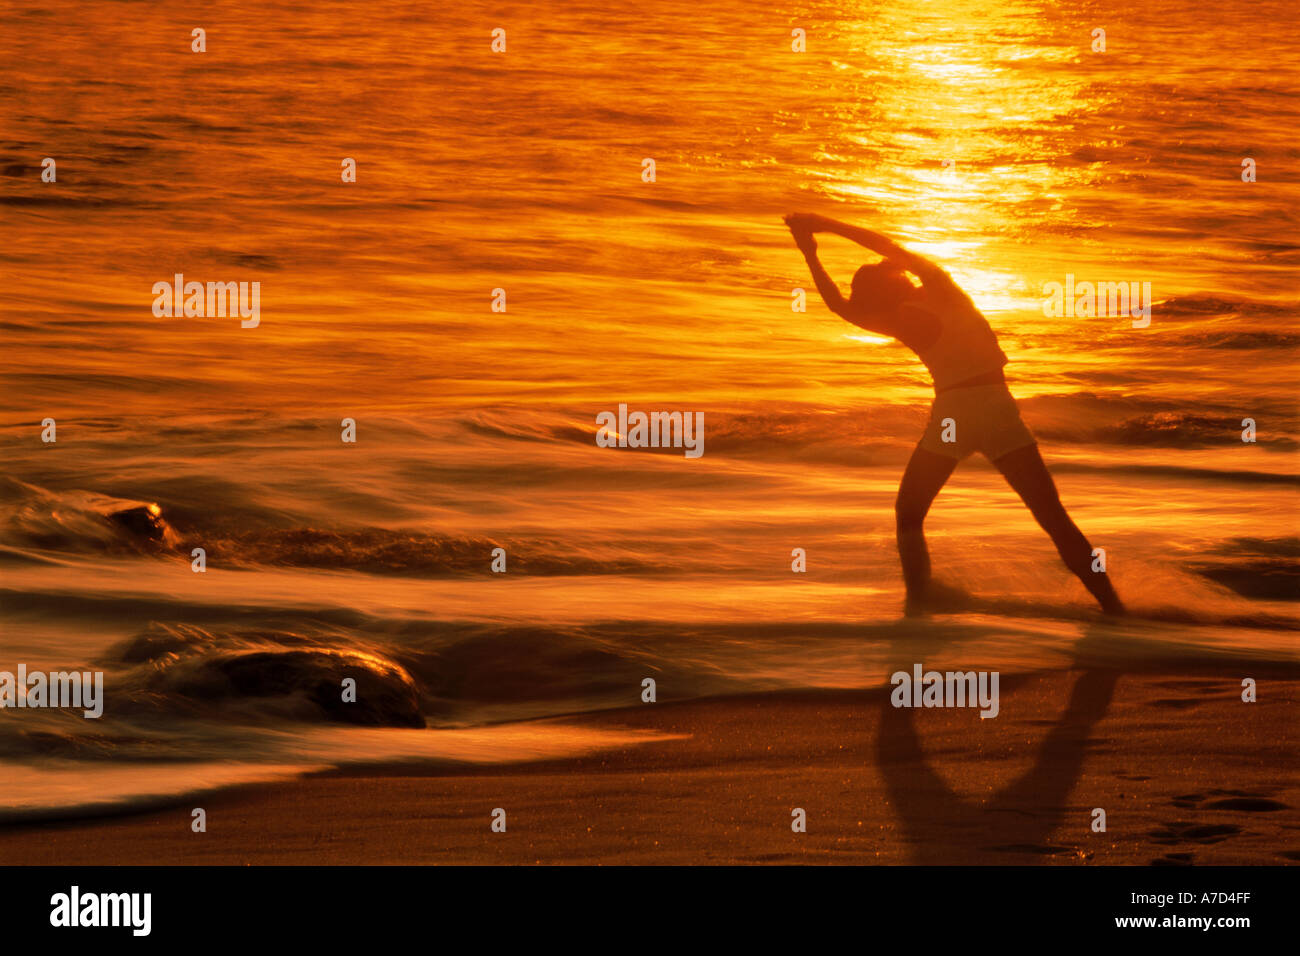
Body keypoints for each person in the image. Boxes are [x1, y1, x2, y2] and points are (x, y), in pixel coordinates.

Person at [785, 212, 1124, 616]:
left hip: (952, 417)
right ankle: (1114, 609)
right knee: (1052, 517)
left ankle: (919, 606)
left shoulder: (894, 320)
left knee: (909, 514)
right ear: (898, 281)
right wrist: (828, 225)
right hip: (998, 408)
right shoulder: (943, 289)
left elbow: (839, 305)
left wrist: (810, 253)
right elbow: (890, 250)